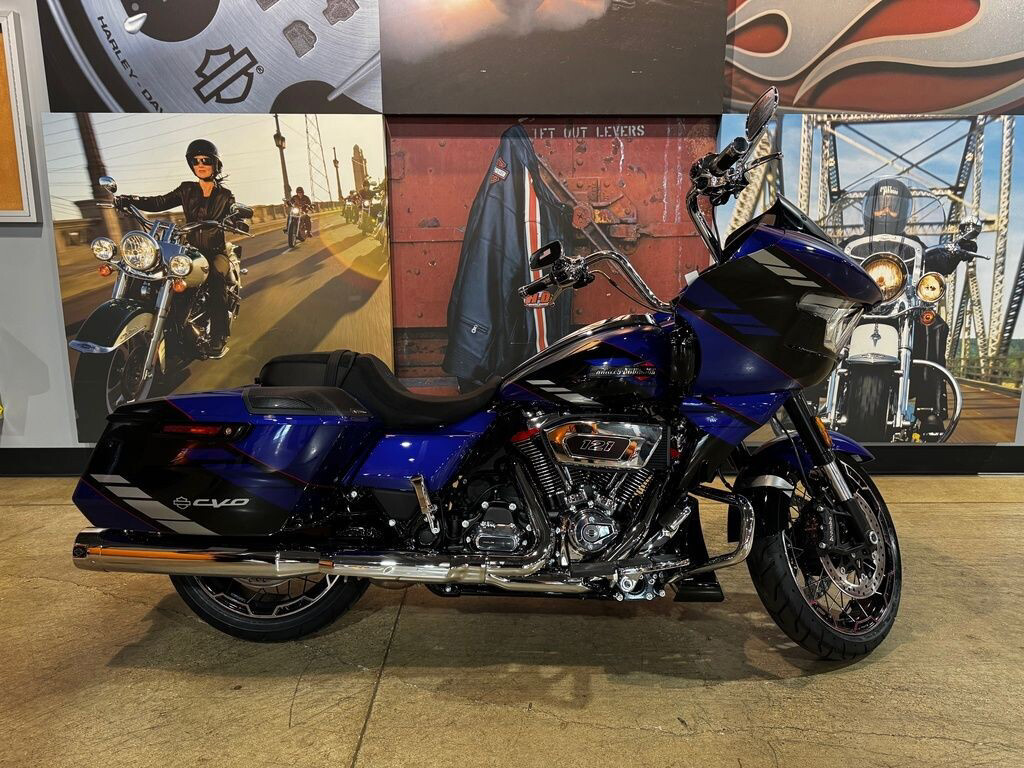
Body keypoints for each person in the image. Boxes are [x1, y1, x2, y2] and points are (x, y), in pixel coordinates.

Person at [120, 139, 236, 358]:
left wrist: (237, 220)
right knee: (164, 275)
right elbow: (159, 202)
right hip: (191, 252)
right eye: (195, 161)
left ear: (215, 164)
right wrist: (131, 200)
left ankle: (218, 335)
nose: (200, 165)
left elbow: (235, 213)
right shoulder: (186, 189)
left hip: (215, 252)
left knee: (215, 277)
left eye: (205, 160)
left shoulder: (225, 195)